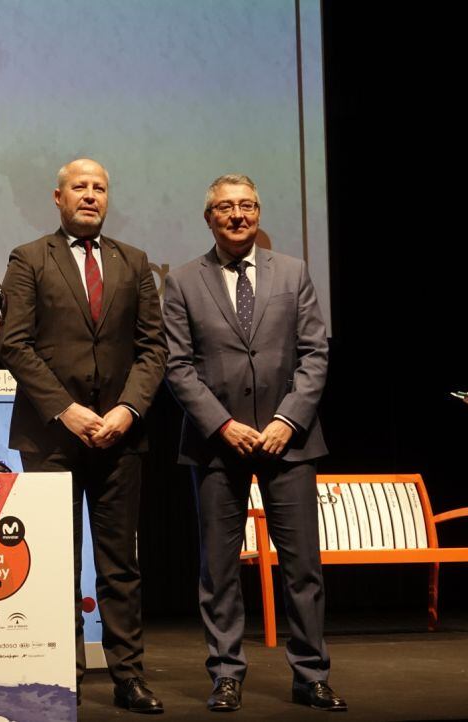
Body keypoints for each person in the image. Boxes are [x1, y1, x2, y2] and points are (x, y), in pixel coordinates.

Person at [162, 174, 346, 712]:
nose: (237, 215)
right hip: (218, 443)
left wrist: (288, 419)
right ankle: (225, 674)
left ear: (259, 212)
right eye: (225, 207)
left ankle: (310, 675)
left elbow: (315, 353)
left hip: (290, 441)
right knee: (218, 569)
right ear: (209, 217)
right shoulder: (182, 281)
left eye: (246, 205)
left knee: (303, 568)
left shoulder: (293, 271)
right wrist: (222, 425)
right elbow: (177, 365)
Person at [0, 158, 167, 714]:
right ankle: (59, 674)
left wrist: (129, 410)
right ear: (57, 197)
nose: (90, 196)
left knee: (120, 565)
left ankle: (129, 676)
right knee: (54, 564)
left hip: (119, 437)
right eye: (79, 187)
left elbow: (153, 349)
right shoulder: (28, 259)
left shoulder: (134, 262)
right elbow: (14, 343)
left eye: (99, 188)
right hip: (51, 437)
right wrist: (66, 410)